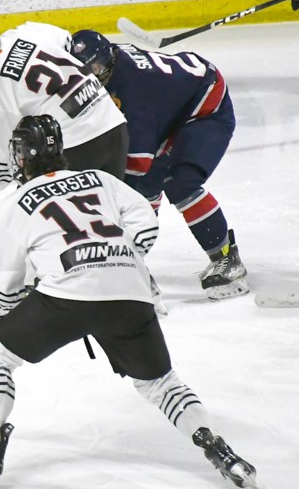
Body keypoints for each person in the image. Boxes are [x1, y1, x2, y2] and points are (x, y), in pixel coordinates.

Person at [0, 114, 259, 489]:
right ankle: (219, 449)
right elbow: (145, 223)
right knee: (160, 383)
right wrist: (117, 259)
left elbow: (0, 282)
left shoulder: (16, 201)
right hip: (131, 294)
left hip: (65, 299)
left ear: (20, 157)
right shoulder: (100, 179)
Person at [69, 29, 248, 300]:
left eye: (96, 67)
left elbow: (137, 165)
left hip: (205, 104)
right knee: (143, 188)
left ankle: (226, 255)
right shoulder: (111, 61)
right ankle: (127, 261)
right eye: (87, 70)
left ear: (107, 58)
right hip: (171, 109)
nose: (93, 75)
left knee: (179, 182)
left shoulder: (134, 89)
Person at [0, 17, 130, 222]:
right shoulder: (24, 32)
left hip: (77, 147)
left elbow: (0, 166)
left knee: (13, 220)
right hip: (114, 124)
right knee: (107, 219)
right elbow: (67, 41)